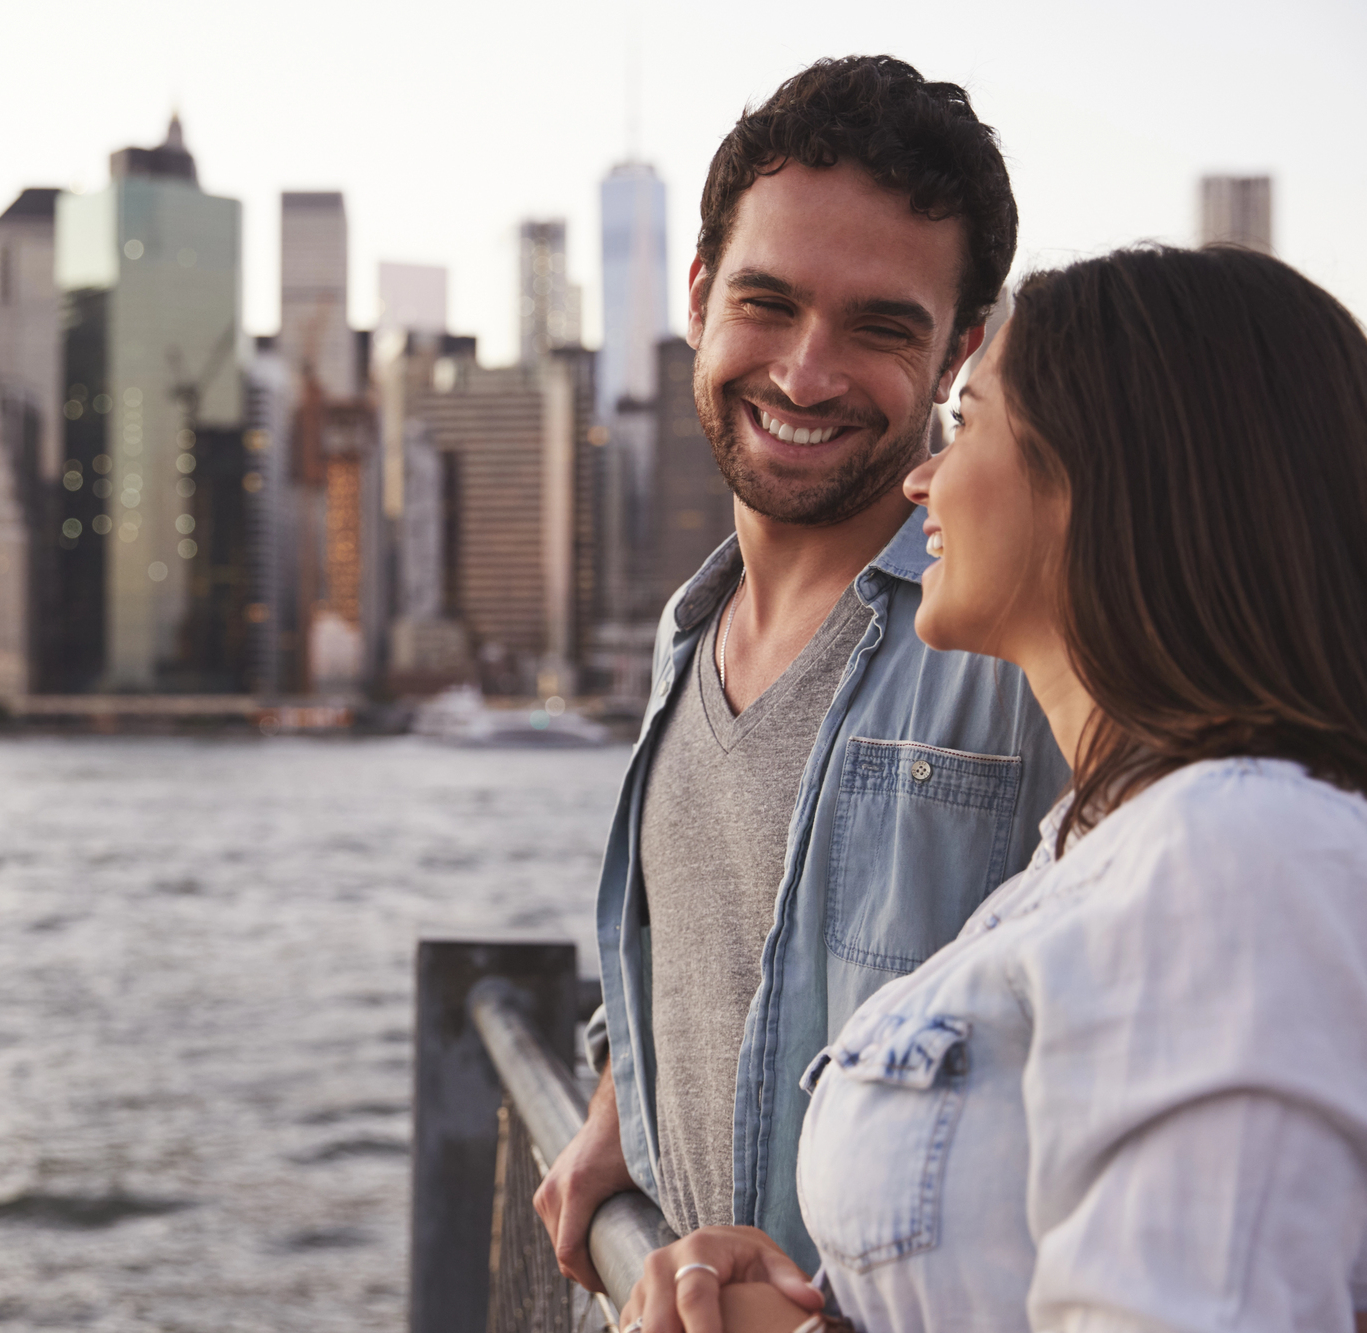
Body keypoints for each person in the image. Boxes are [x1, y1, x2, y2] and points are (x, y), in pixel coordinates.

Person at [620, 245, 1367, 1332]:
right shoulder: (1090, 846)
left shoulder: (1238, 853)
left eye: (964, 423)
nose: (921, 475)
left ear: (1105, 478)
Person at [534, 54, 1070, 1287]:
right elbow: (718, 944)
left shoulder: (1025, 641)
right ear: (697, 293)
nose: (804, 372)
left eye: (879, 327)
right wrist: (631, 1084)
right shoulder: (689, 629)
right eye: (766, 303)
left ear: (960, 353)